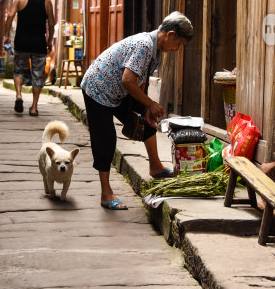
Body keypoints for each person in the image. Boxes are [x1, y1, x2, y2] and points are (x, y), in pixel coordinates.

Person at [80, 11, 194, 210]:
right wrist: (149, 103)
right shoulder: (144, 45)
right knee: (105, 139)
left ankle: (156, 167)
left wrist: (144, 107)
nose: (178, 49)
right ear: (170, 35)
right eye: (179, 44)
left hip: (119, 91)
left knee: (147, 120)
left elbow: (137, 79)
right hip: (98, 89)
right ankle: (106, 193)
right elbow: (127, 80)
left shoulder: (155, 49)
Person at [4, 0, 55, 116]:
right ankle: (34, 107)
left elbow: (10, 16)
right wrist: (49, 41)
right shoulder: (47, 2)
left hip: (22, 41)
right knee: (38, 75)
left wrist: (6, 35)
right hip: (39, 43)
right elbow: (51, 24)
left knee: (19, 70)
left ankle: (19, 95)